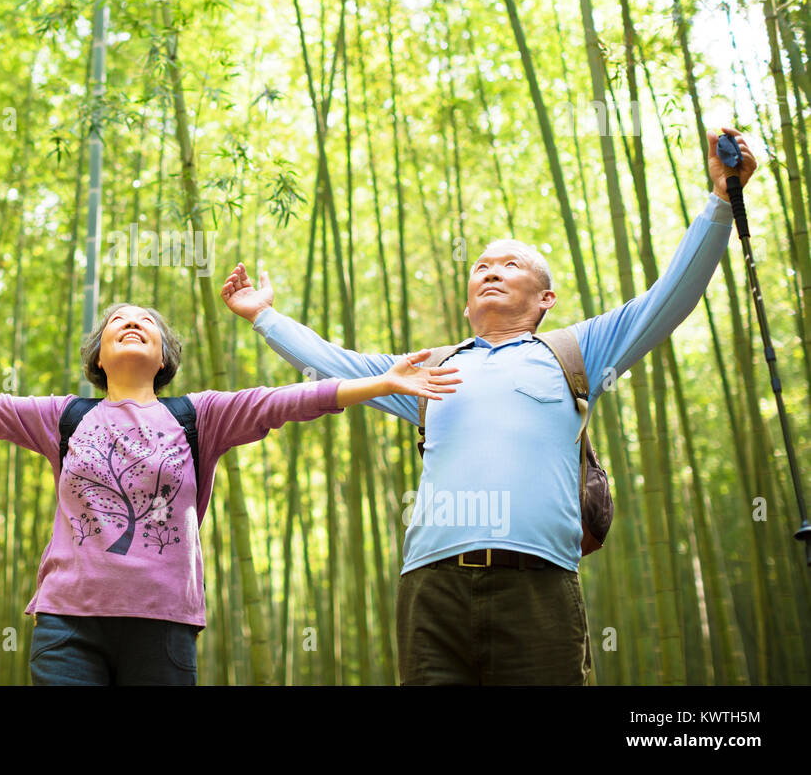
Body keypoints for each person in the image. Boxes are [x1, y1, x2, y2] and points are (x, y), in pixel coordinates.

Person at [220, 128, 758, 685]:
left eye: (511, 264)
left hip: (539, 581)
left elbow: (671, 296)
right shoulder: (429, 369)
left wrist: (721, 201)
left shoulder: (578, 351)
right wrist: (263, 316)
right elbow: (336, 365)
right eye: (481, 266)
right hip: (432, 587)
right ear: (469, 295)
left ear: (545, 297)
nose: (492, 270)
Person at [0, 300, 460, 685]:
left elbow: (291, 400)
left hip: (163, 623)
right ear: (98, 356)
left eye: (146, 324)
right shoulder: (63, 415)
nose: (132, 325)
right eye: (118, 323)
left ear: (164, 356)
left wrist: (381, 382)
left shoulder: (200, 416)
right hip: (68, 622)